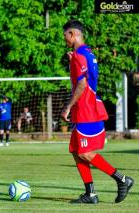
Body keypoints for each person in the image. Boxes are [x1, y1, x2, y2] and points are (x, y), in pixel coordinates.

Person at [61, 20, 134, 204]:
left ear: (73, 34)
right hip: (86, 109)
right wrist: (73, 62)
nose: (65, 40)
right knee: (76, 151)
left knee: (85, 153)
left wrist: (68, 106)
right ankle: (90, 194)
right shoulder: (87, 53)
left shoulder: (79, 55)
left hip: (86, 110)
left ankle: (122, 179)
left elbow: (82, 84)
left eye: (66, 36)